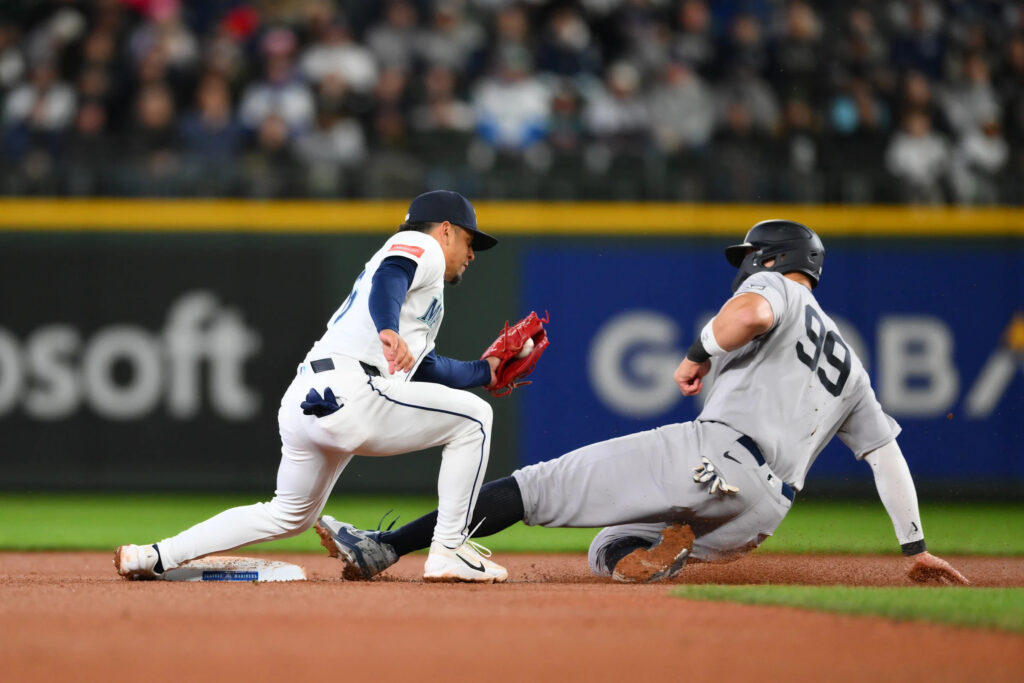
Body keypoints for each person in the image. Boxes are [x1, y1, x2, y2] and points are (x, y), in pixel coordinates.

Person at [317, 220, 969, 586]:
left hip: (714, 455)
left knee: (532, 487)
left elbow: (749, 314)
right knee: (608, 550)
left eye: (752, 257)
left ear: (773, 258)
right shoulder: (851, 366)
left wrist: (697, 352)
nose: (745, 266)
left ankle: (385, 548)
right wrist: (913, 546)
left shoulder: (779, 287)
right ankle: (665, 545)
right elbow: (885, 455)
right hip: (762, 511)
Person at [115, 190, 510, 583]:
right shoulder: (422, 245)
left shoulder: (425, 292)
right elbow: (391, 276)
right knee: (475, 420)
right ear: (445, 230)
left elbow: (426, 367)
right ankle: (448, 549)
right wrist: (388, 328)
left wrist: (485, 371)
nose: (472, 254)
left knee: (288, 515)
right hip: (353, 388)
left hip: (310, 397)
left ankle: (154, 555)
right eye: (469, 240)